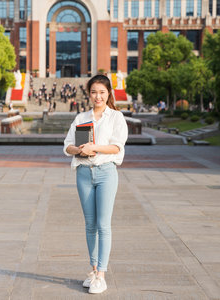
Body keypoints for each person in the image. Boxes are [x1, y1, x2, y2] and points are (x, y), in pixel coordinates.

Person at [63, 74, 128, 294]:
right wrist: (79, 149)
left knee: (103, 224)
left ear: (108, 92)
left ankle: (102, 274)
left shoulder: (116, 117)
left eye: (102, 92)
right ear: (89, 94)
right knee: (90, 224)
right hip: (83, 173)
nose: (98, 96)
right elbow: (67, 145)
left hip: (106, 173)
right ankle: (92, 270)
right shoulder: (81, 117)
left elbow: (117, 147)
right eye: (93, 92)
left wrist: (94, 147)